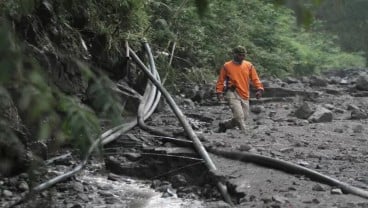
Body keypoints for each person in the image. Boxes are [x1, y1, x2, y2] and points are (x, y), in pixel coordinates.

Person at [215, 45, 264, 133]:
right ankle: (245, 132)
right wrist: (219, 92)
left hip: (245, 93)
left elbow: (255, 78)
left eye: (243, 55)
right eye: (239, 55)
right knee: (238, 116)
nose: (242, 57)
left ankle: (225, 125)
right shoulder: (227, 66)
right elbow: (221, 80)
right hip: (232, 92)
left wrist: (259, 89)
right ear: (234, 54)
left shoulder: (249, 65)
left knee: (244, 117)